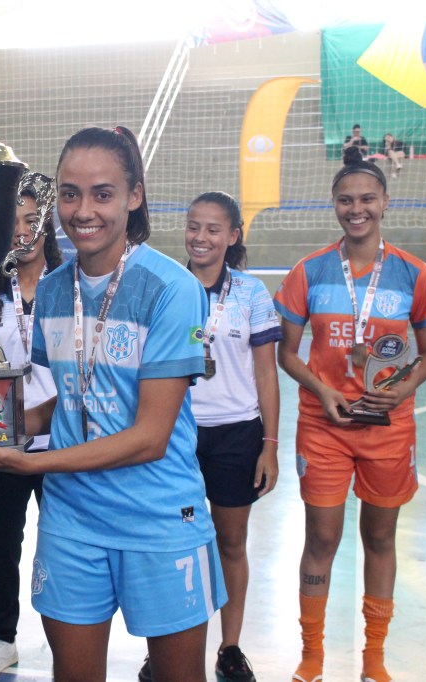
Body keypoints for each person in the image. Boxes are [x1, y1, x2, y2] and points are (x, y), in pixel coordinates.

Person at [0, 126, 225, 682]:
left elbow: (150, 436)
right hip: (73, 522)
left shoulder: (172, 290)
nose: (83, 210)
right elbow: (71, 401)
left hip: (157, 520)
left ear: (134, 196)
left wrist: (32, 461)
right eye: (70, 193)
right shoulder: (54, 290)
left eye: (102, 194)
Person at [274, 146, 426, 682]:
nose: (356, 208)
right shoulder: (310, 271)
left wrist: (404, 388)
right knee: (321, 539)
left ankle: (374, 657)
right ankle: (312, 654)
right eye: (346, 199)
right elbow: (287, 353)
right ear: (335, 206)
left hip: (389, 428)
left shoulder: (415, 275)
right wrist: (323, 392)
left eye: (367, 198)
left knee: (381, 538)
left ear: (385, 203)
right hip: (326, 425)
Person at [139, 191, 280, 682]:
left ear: (233, 236)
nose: (201, 237)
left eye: (213, 229)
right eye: (193, 226)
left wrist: (270, 445)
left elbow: (266, 375)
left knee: (230, 543)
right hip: (172, 432)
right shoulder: (165, 286)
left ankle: (230, 647)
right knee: (172, 544)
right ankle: (168, 647)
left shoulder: (252, 293)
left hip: (237, 435)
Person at [0, 187, 62, 681]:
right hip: (0, 445)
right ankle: (3, 639)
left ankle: (70, 636)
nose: (22, 232)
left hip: (60, 445)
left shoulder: (69, 287)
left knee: (64, 546)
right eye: (13, 223)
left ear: (46, 226)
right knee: (0, 546)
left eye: (30, 221)